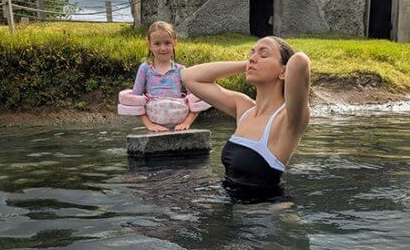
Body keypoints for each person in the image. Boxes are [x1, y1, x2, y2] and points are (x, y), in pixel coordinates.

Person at [181, 36, 311, 193]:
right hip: (233, 208)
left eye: (263, 55)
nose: (253, 58)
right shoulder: (243, 108)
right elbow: (189, 77)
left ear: (284, 71)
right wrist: (248, 64)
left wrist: (278, 67)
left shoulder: (288, 119)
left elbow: (300, 61)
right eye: (252, 54)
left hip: (265, 213)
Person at [118, 21, 209, 132]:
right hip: (154, 124)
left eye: (167, 43)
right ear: (149, 45)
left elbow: (196, 99)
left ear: (175, 44)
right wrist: (149, 125)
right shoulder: (145, 68)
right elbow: (135, 101)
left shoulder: (181, 70)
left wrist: (187, 123)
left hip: (179, 124)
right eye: (157, 44)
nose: (163, 48)